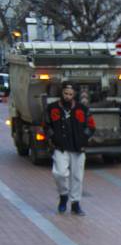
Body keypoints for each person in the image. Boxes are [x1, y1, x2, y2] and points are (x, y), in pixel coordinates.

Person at [44, 82, 95, 216]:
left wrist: (84, 138)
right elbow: (46, 125)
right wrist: (53, 138)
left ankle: (75, 204)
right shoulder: (52, 108)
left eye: (70, 94)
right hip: (60, 147)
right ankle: (63, 195)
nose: (68, 96)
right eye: (65, 93)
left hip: (78, 147)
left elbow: (91, 126)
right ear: (61, 93)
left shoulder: (82, 109)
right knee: (59, 173)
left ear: (74, 95)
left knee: (77, 176)